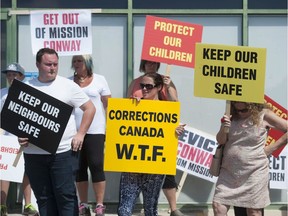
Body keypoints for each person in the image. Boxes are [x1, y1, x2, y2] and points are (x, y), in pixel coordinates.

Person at [17, 48, 96, 216]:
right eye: (48, 64)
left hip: (62, 153)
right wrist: (20, 136)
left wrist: (80, 133)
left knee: (66, 196)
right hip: (33, 153)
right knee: (43, 198)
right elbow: (18, 119)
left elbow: (90, 108)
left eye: (55, 64)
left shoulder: (67, 86)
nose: (52, 68)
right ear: (37, 64)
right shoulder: (25, 87)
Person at [118, 72, 185, 216]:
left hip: (154, 169)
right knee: (124, 210)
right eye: (142, 85)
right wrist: (130, 106)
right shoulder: (133, 103)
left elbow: (172, 126)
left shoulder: (166, 109)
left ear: (159, 87)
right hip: (132, 167)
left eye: (149, 86)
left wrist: (176, 130)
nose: (144, 89)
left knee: (150, 210)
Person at [213, 101, 287, 216]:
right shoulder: (230, 114)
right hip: (229, 173)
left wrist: (270, 149)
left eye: (244, 110)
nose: (240, 113)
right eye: (237, 110)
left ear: (252, 105)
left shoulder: (264, 114)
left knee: (253, 211)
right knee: (218, 206)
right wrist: (224, 126)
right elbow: (221, 140)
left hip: (255, 172)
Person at [70, 55, 111, 216]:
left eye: (79, 60)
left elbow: (109, 105)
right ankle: (84, 204)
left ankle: (100, 205)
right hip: (75, 131)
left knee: (96, 165)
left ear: (87, 63)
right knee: (79, 168)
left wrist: (110, 127)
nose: (76, 64)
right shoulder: (67, 82)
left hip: (96, 130)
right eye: (74, 61)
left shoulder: (100, 80)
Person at [0, 63, 38, 216]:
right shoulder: (2, 93)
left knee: (26, 171)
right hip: (7, 139)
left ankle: (28, 205)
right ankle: (2, 206)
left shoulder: (28, 93)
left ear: (21, 77)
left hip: (25, 139)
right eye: (9, 75)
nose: (11, 77)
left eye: (14, 74)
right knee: (5, 172)